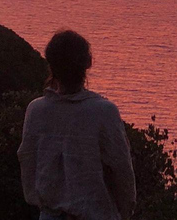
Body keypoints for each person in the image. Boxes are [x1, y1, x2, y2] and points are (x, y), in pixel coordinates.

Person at [18, 30, 136, 220]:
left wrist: (41, 202)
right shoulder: (103, 112)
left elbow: (27, 161)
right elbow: (121, 169)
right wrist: (125, 211)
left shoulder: (36, 110)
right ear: (88, 63)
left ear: (51, 63)